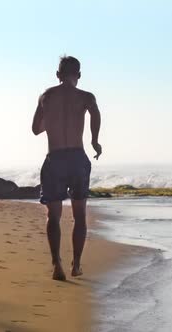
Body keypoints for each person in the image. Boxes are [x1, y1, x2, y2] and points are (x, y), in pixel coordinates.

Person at [31, 55, 102, 281]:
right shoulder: (86, 97)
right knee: (79, 216)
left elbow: (35, 129)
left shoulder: (46, 96)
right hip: (77, 158)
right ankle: (77, 265)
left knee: (53, 216)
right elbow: (96, 114)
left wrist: (52, 121)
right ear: (79, 75)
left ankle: (56, 265)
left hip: (55, 159)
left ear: (58, 75)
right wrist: (95, 140)